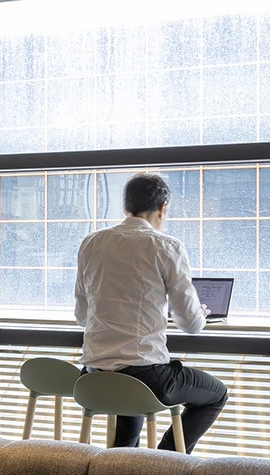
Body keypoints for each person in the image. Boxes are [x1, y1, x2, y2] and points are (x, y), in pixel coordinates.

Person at [74, 172, 229, 451]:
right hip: (144, 378)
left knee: (129, 394)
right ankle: (165, 460)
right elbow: (192, 324)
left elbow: (82, 316)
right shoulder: (167, 246)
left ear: (125, 207)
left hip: (93, 376)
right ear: (163, 207)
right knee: (216, 394)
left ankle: (122, 467)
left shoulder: (91, 243)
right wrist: (200, 313)